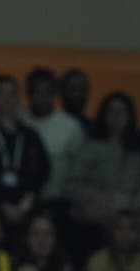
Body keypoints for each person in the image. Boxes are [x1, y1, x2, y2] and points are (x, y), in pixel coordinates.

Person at [66, 92, 140, 255]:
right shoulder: (90, 148)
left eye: (122, 112)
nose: (116, 117)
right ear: (103, 115)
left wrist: (123, 202)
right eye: (111, 111)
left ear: (130, 117)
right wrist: (95, 196)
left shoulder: (137, 152)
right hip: (94, 229)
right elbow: (71, 184)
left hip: (130, 233)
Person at [0, 74, 50, 238]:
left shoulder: (30, 136)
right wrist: (3, 206)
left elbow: (42, 171)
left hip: (25, 213)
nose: (7, 99)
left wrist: (24, 205)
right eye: (2, 93)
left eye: (12, 93)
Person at [20, 67, 85, 203]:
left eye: (47, 92)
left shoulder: (70, 126)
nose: (42, 97)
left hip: (58, 199)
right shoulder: (18, 120)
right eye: (37, 92)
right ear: (28, 94)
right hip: (21, 198)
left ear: (55, 94)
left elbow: (79, 168)